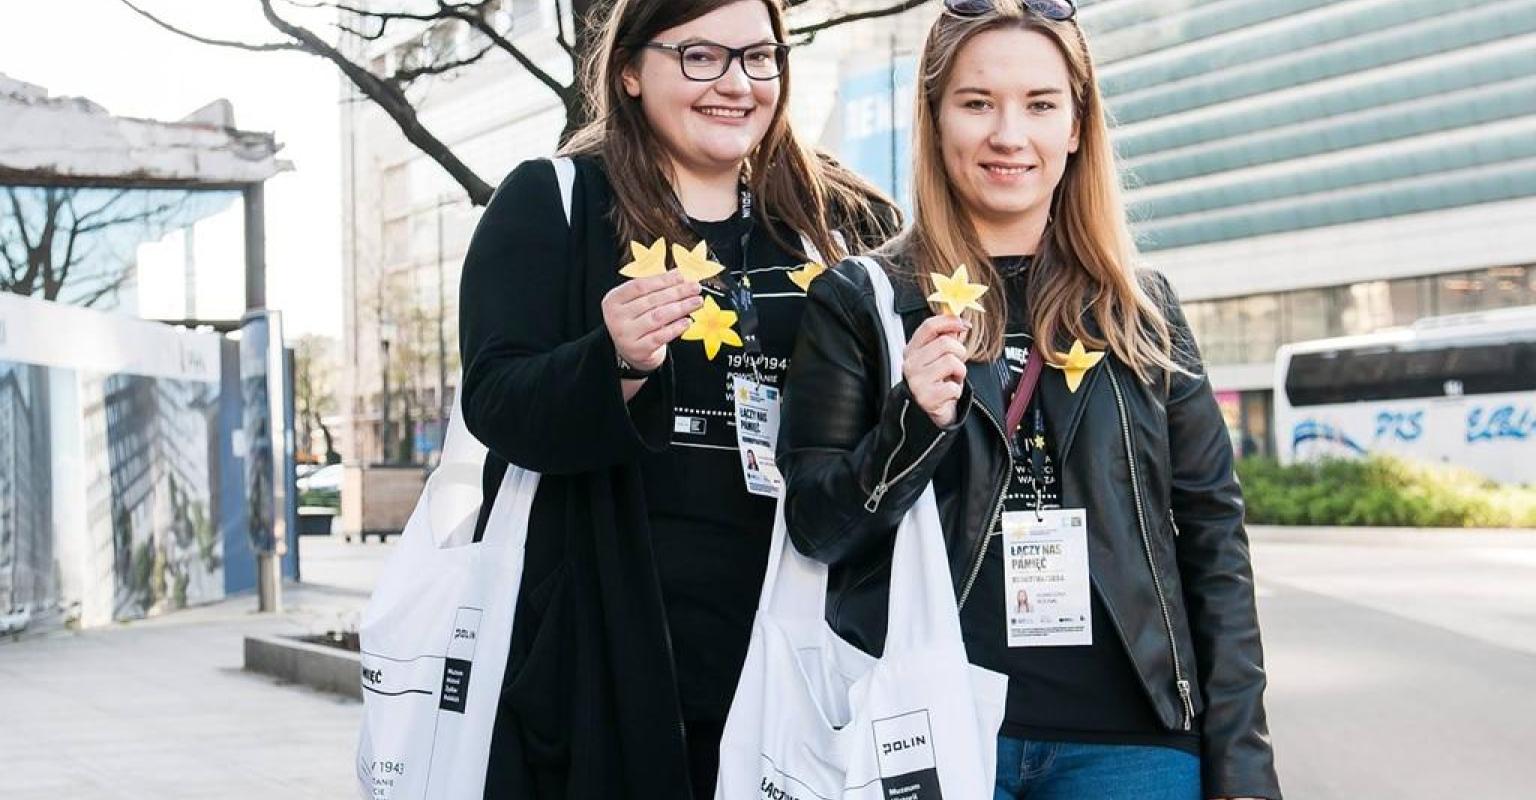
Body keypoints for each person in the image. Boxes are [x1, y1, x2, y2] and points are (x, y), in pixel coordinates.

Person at [777, 2, 1281, 798]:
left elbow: (1214, 540)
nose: (1009, 135)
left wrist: (1244, 763)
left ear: (1077, 126)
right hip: (927, 727)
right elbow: (816, 526)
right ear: (935, 118)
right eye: (978, 103)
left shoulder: (1141, 310)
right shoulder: (862, 300)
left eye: (1041, 104)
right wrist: (913, 424)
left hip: (1129, 748)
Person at [456, 0, 898, 796]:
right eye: (700, 56)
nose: (736, 83)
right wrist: (615, 362)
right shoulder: (555, 202)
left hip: (804, 649)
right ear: (629, 68)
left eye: (758, 57)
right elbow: (496, 400)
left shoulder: (842, 220)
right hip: (605, 659)